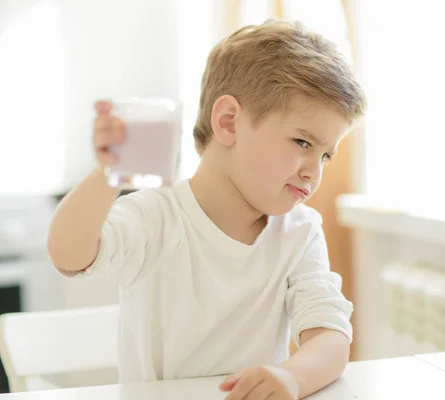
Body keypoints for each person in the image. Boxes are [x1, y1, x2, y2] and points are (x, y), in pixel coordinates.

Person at [47, 19, 366, 400]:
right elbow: (68, 255)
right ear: (229, 122)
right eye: (302, 142)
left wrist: (293, 378)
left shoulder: (300, 231)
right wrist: (107, 174)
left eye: (326, 155)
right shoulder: (155, 216)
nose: (314, 171)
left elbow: (330, 337)